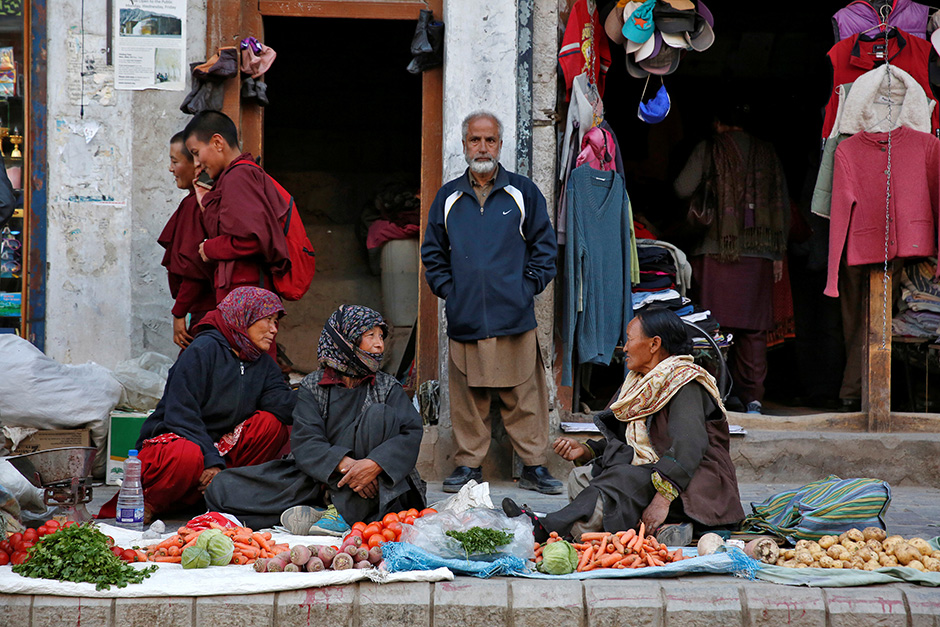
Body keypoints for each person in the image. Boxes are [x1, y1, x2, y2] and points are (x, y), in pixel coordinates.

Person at [504, 308, 744, 545]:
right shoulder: (640, 383)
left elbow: (690, 446)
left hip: (695, 485)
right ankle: (639, 528)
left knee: (621, 477)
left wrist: (662, 500)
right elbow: (630, 442)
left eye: (629, 340)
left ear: (654, 344)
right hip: (654, 473)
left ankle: (547, 529)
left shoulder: (685, 383)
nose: (625, 348)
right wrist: (588, 451)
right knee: (582, 476)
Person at [421, 110, 562, 494]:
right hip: (466, 315)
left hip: (514, 314)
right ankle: (468, 467)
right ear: (464, 144)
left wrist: (526, 287)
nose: (482, 147)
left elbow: (544, 249)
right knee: (468, 398)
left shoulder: (522, 192)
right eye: (474, 140)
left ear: (500, 144)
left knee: (524, 395)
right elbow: (433, 252)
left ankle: (534, 466)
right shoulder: (448, 197)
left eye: (490, 140)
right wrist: (451, 290)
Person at [205, 305, 426, 534]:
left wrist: (374, 465)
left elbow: (409, 433)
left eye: (381, 336)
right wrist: (349, 467)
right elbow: (306, 441)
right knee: (222, 488)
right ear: (344, 340)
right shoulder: (314, 385)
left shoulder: (387, 387)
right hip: (321, 476)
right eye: (370, 336)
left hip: (374, 483)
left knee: (379, 415)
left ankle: (341, 513)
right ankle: (325, 507)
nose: (379, 344)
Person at [97, 287, 295, 522]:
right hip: (185, 442)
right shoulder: (202, 350)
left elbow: (282, 404)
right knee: (186, 454)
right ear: (245, 317)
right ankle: (151, 502)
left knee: (270, 425)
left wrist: (320, 397)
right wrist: (211, 459)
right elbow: (181, 415)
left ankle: (221, 496)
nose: (274, 329)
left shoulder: (261, 362)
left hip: (220, 453)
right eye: (268, 321)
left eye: (276, 322)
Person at [674, 102, 789, 415]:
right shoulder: (768, 153)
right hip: (760, 252)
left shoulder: (709, 148)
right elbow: (784, 206)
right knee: (753, 332)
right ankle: (752, 399)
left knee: (712, 329)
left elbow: (682, 188)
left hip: (714, 251)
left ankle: (714, 396)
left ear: (718, 122)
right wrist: (777, 253)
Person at [182, 110, 290, 304]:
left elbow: (253, 240)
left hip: (248, 295)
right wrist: (205, 200)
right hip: (243, 293)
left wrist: (209, 248)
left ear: (217, 142)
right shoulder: (232, 177)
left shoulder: (238, 176)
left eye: (196, 153)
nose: (197, 164)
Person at [158, 131, 216, 349]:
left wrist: (179, 312)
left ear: (196, 163)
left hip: (205, 309)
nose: (171, 169)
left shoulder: (196, 205)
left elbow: (194, 267)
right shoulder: (198, 200)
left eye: (175, 161)